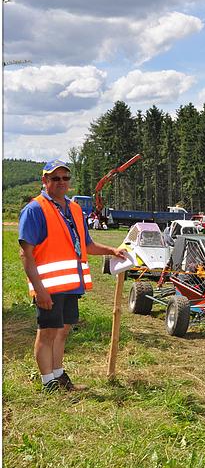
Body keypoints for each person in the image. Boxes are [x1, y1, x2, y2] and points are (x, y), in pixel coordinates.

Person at [19, 160, 126, 392]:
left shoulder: (75, 209)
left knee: (63, 331)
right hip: (48, 287)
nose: (60, 182)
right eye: (54, 178)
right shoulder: (35, 209)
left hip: (70, 285)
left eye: (65, 178)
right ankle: (48, 383)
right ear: (44, 180)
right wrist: (39, 289)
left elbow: (86, 244)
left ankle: (59, 376)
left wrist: (111, 251)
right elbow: (25, 255)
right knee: (47, 333)